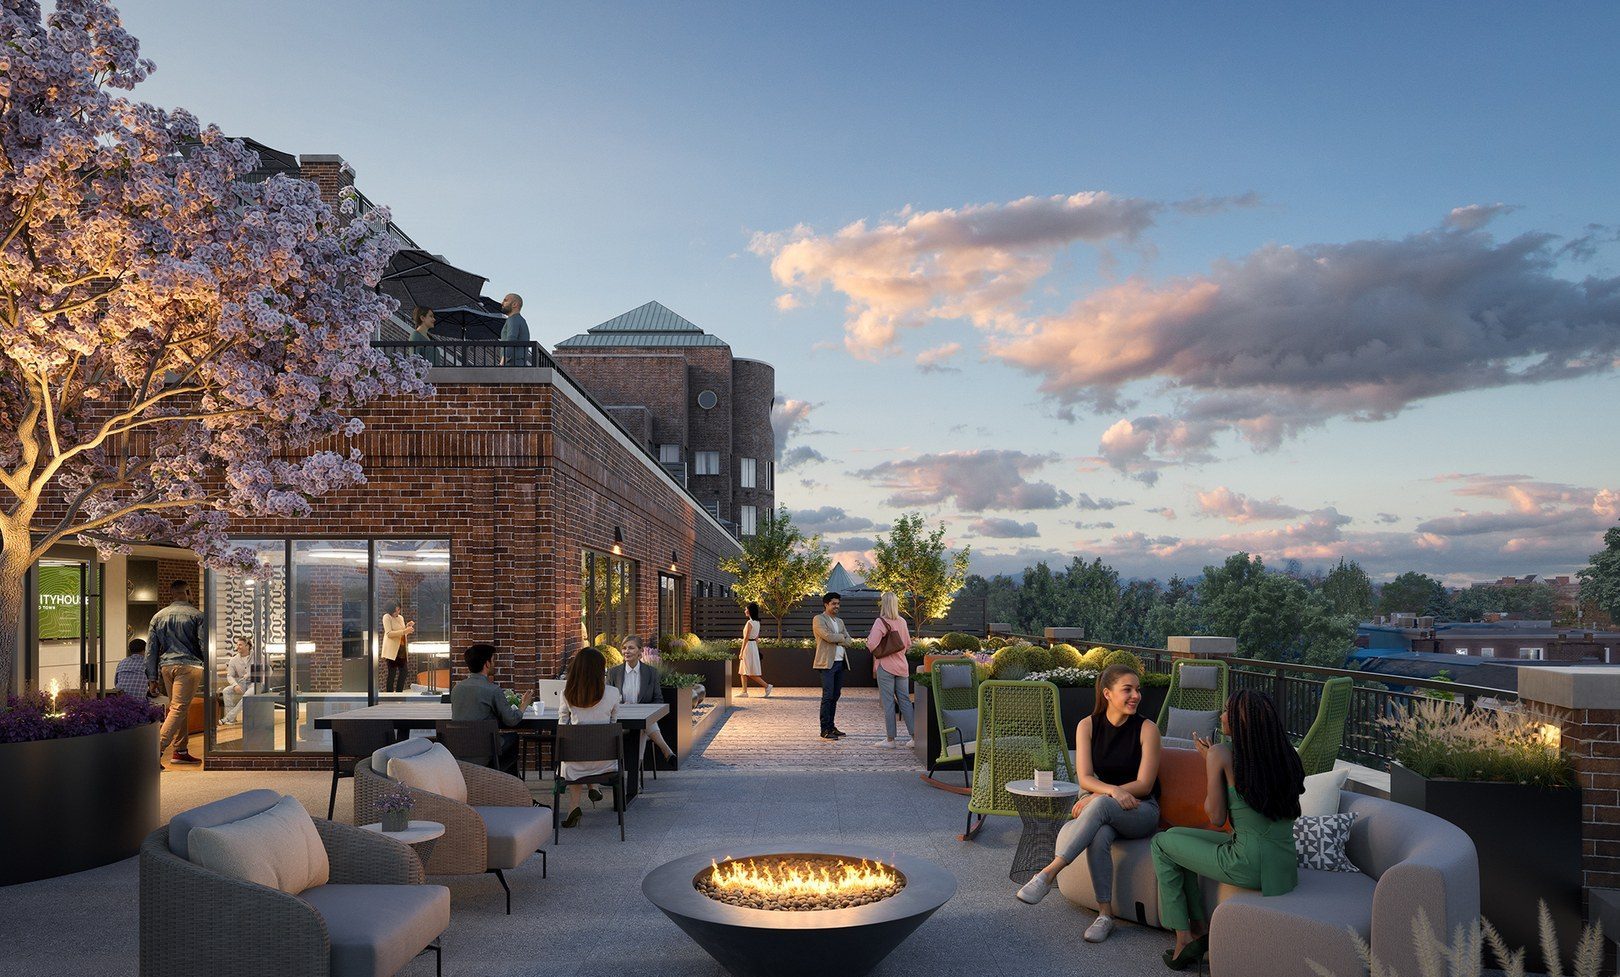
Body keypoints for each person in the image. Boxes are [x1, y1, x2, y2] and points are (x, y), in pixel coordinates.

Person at [1151, 689, 1304, 970]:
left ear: (1240, 720)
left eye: (1226, 711)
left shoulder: (1221, 753)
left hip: (1246, 861)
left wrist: (1211, 763)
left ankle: (1184, 937)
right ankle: (1199, 928)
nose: (1221, 716)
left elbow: (1216, 816)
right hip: (1282, 866)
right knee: (1172, 837)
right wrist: (1213, 760)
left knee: (1160, 843)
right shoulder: (1285, 757)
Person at [1014, 663, 1163, 944]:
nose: (1136, 696)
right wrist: (1109, 792)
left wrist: (1103, 795)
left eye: (1137, 690)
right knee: (1100, 835)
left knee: (1102, 806)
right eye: (1127, 690)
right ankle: (1105, 915)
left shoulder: (1147, 729)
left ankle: (1048, 873)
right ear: (1107, 693)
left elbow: (1144, 784)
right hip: (1105, 807)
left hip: (1142, 809)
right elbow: (1084, 778)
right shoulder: (1087, 726)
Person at [558, 645, 623, 828]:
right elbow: (613, 723)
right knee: (588, 750)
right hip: (606, 762)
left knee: (574, 758)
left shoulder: (567, 693)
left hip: (576, 762)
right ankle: (593, 786)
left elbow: (562, 726)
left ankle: (573, 807)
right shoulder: (612, 693)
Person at [146, 578, 206, 767]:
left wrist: (152, 677)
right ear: (188, 592)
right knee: (179, 708)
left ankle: (180, 751)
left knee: (179, 708)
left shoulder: (158, 616)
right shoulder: (197, 615)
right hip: (189, 666)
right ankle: (154, 752)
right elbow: (204, 645)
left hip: (166, 667)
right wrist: (208, 665)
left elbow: (151, 649)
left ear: (171, 594)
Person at [449, 643, 535, 774]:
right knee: (513, 738)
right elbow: (511, 720)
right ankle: (505, 780)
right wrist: (524, 705)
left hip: (459, 751)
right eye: (493, 660)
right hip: (484, 750)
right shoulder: (492, 690)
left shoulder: (456, 689)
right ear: (487, 664)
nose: (494, 663)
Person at [607, 635, 674, 764]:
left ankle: (636, 773)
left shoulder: (651, 672)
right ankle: (665, 750)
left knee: (643, 725)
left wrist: (644, 711)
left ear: (640, 651)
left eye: (631, 648)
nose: (626, 651)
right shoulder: (613, 673)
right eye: (624, 648)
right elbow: (608, 700)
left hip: (642, 721)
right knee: (645, 726)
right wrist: (621, 705)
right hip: (620, 721)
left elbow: (658, 700)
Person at [865, 592, 915, 748]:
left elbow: (872, 644)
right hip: (902, 666)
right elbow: (908, 644)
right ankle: (915, 738)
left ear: (884, 604)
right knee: (905, 701)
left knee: (888, 703)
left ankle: (890, 740)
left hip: (886, 667)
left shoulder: (880, 622)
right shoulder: (902, 621)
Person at [812, 592, 850, 740]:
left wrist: (839, 638)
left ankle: (831, 726)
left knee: (835, 696)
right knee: (827, 696)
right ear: (826, 604)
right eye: (834, 603)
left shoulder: (840, 621)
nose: (836, 606)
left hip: (840, 663)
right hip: (826, 663)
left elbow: (849, 641)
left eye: (838, 604)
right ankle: (824, 729)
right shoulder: (818, 619)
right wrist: (841, 637)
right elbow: (827, 636)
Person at [738, 602, 771, 697]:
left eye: (746, 609)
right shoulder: (757, 623)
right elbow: (756, 638)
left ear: (749, 611)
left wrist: (741, 652)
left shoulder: (749, 623)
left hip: (748, 646)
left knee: (749, 671)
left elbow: (746, 638)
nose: (745, 611)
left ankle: (767, 686)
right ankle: (744, 692)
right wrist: (757, 650)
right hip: (753, 647)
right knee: (743, 670)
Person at [380, 602, 415, 694]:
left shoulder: (401, 618)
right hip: (392, 650)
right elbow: (389, 634)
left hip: (401, 649)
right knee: (392, 673)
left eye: (399, 610)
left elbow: (402, 631)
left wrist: (407, 627)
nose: (398, 612)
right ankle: (389, 694)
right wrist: (405, 631)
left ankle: (399, 693)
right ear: (390, 610)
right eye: (395, 610)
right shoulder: (387, 617)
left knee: (404, 672)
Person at [220, 636, 255, 725]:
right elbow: (229, 676)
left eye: (240, 645)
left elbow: (268, 671)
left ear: (247, 646)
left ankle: (228, 718)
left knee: (247, 695)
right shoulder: (234, 660)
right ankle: (231, 720)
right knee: (226, 691)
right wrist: (235, 685)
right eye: (237, 644)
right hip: (242, 684)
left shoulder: (257, 656)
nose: (237, 647)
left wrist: (250, 674)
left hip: (255, 684)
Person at [499, 293, 529, 364]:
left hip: (512, 363)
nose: (502, 303)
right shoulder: (521, 320)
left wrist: (502, 363)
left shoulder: (513, 319)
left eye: (505, 300)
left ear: (514, 304)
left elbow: (511, 339)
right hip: (518, 362)